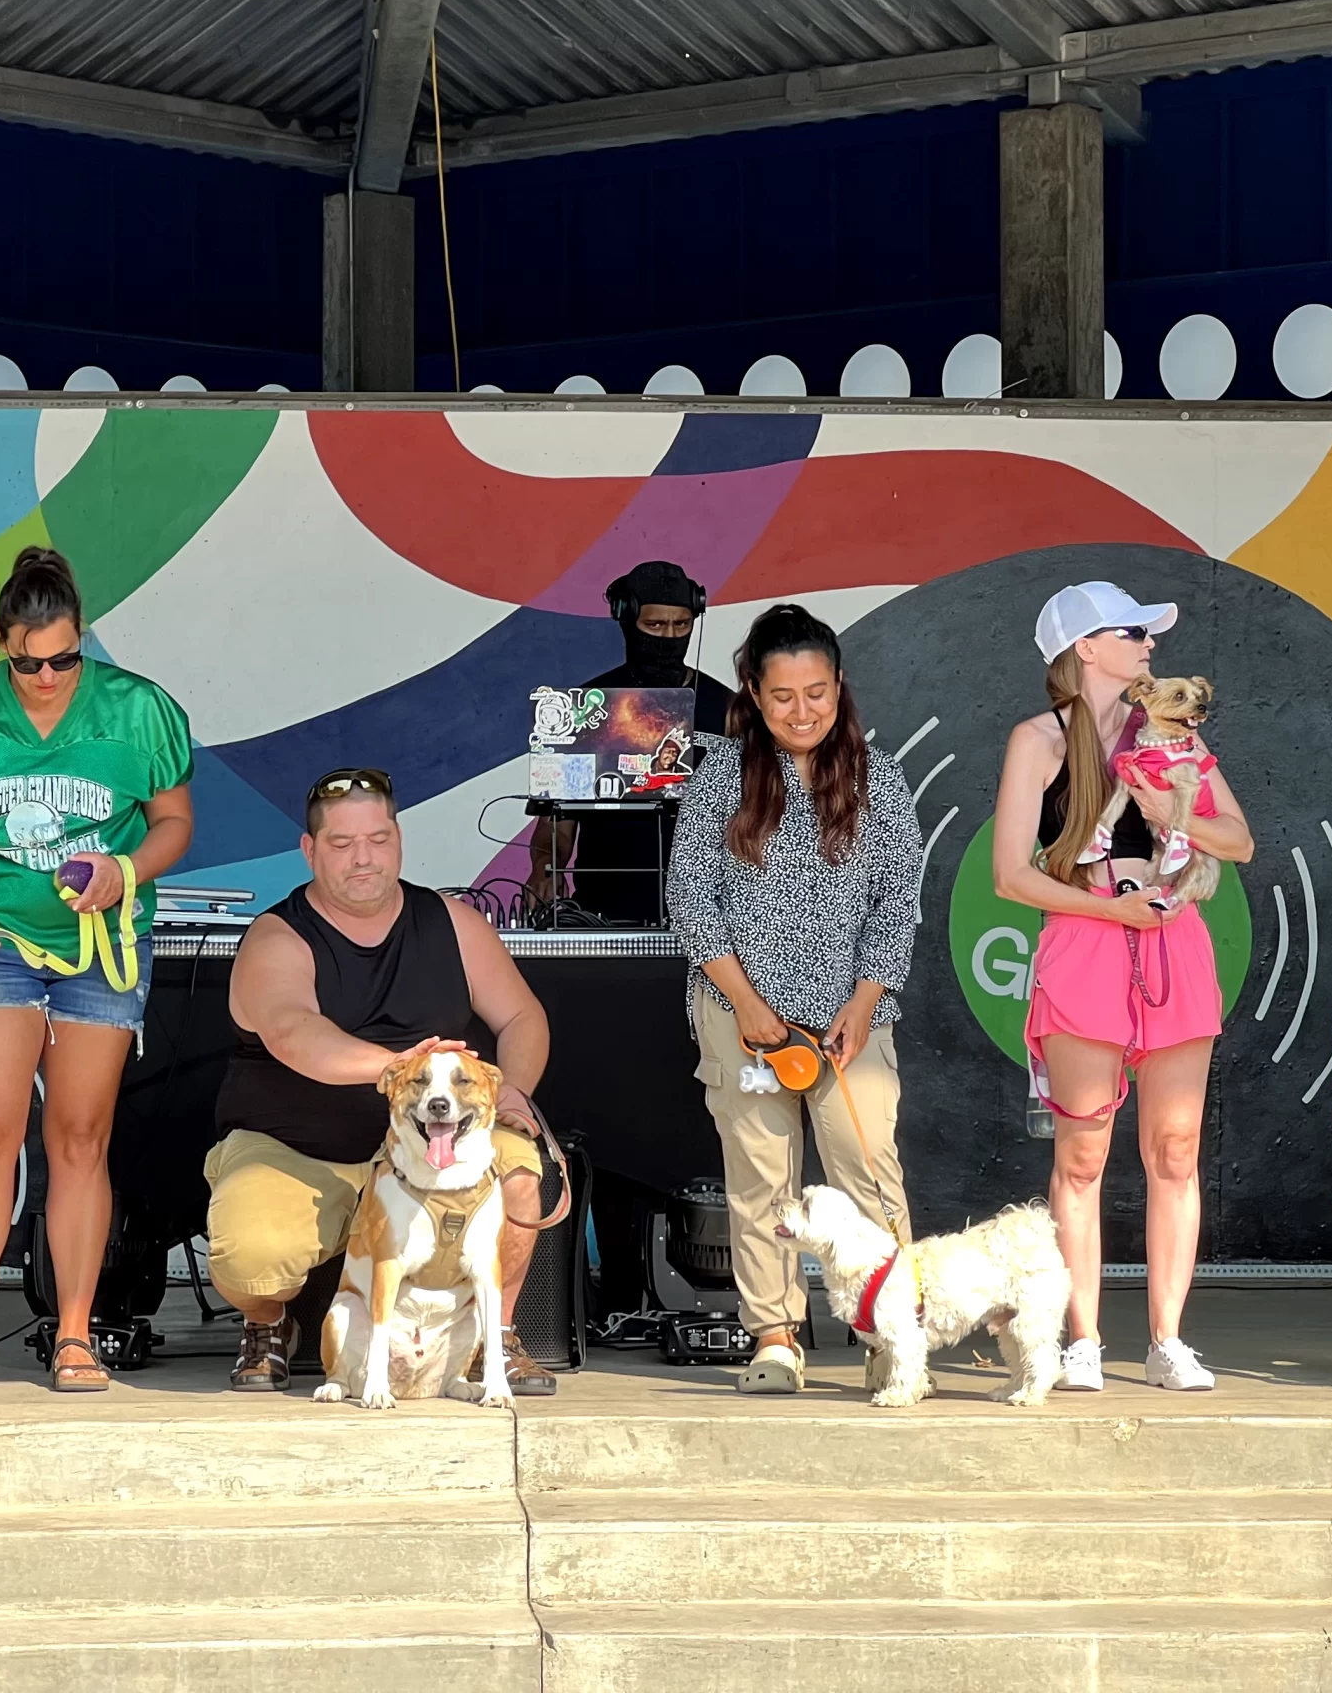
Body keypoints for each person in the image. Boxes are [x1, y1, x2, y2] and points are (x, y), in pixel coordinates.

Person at [0, 547, 195, 1396]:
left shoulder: (139, 710)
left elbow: (174, 820)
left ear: (83, 642)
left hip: (99, 948)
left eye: (64, 659)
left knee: (78, 1138)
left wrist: (126, 871)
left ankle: (74, 1335)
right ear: (1, 644)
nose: (45, 675)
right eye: (27, 661)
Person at [206, 768, 558, 1396]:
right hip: (298, 1150)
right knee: (252, 1259)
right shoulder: (275, 935)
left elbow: (524, 1016)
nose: (363, 858)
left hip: (434, 1147)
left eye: (378, 839)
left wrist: (514, 1089)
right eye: (341, 844)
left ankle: (494, 1337)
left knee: (522, 1175)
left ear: (398, 838)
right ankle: (266, 1326)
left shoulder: (453, 921)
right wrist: (402, 1068)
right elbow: (293, 1034)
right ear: (310, 851)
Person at [990, 581, 1255, 1394]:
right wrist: (1111, 909)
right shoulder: (1037, 739)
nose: (1148, 644)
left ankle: (1168, 1340)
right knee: (1083, 1151)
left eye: (1149, 634)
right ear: (1085, 650)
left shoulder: (1169, 735)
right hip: (1088, 943)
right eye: (1132, 632)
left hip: (1176, 941)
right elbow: (1010, 878)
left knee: (1176, 1149)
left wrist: (1172, 818)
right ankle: (1083, 1340)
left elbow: (1239, 841)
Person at [665, 604, 922, 1394]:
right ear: (753, 692)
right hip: (742, 1015)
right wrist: (743, 1002)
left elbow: (898, 896)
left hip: (852, 1016)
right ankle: (774, 1337)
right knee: (760, 1178)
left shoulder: (879, 778)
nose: (802, 710)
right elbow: (691, 897)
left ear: (839, 687)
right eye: (783, 696)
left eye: (817, 692)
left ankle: (891, 1334)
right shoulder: (722, 777)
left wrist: (865, 995)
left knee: (866, 1169)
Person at [532, 560, 737, 926]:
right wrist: (547, 868)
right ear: (626, 619)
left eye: (681, 625)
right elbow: (556, 824)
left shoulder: (731, 711)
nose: (668, 637)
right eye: (654, 625)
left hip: (709, 921)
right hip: (602, 915)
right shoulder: (585, 707)